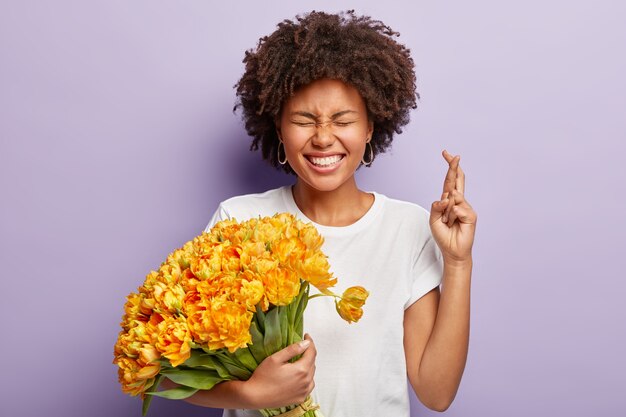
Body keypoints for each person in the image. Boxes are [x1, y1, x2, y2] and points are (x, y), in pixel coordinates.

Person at [168, 10, 477, 417]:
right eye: (303, 120)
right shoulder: (238, 221)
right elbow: (170, 373)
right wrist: (254, 395)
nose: (324, 137)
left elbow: (436, 394)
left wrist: (457, 262)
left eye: (343, 120)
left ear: (370, 128)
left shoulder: (408, 228)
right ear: (278, 128)